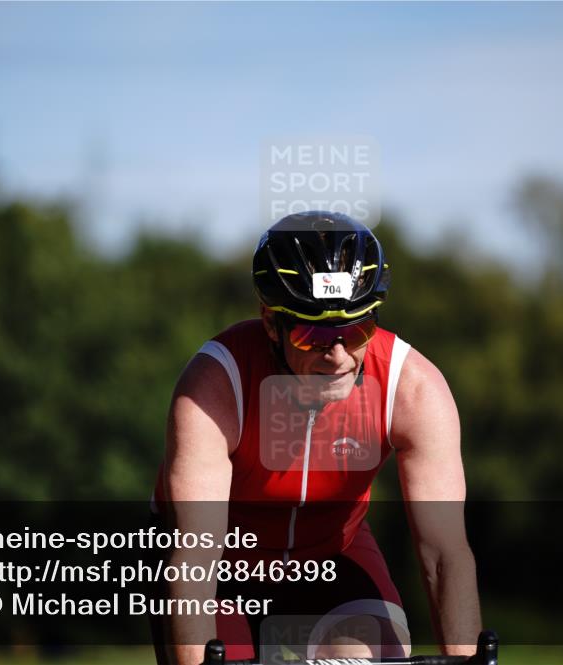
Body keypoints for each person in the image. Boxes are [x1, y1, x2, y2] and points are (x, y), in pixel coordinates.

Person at [151, 211, 481, 665]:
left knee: (374, 655)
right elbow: (194, 557)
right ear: (271, 322)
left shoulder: (413, 389)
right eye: (314, 334)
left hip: (333, 554)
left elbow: (445, 554)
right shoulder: (214, 387)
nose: (339, 355)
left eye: (357, 329)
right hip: (220, 568)